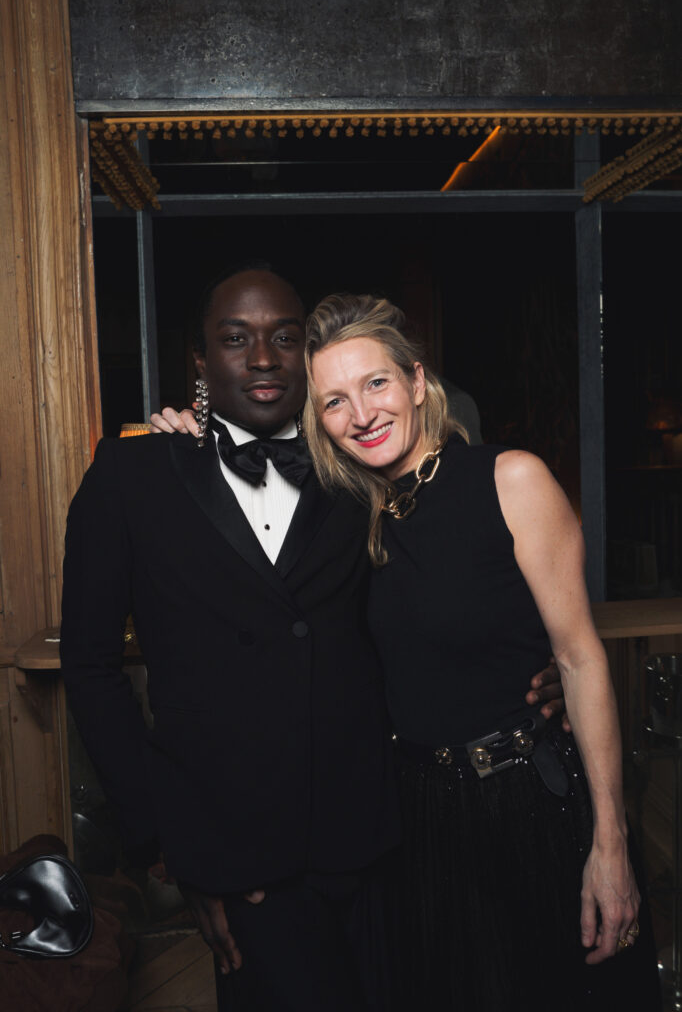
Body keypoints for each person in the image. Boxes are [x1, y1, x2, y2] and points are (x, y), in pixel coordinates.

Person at [61, 267, 565, 1012]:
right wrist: (167, 843)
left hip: (380, 836)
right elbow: (90, 666)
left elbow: (446, 584)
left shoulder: (358, 467)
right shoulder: (130, 475)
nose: (263, 357)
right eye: (236, 339)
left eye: (284, 338)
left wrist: (544, 668)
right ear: (200, 360)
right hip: (240, 859)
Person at [301, 292, 662, 1012]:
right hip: (419, 824)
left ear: (416, 381)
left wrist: (612, 844)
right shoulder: (350, 519)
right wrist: (188, 428)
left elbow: (580, 660)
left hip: (528, 802)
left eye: (376, 383)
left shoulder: (511, 480)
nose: (362, 414)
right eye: (334, 401)